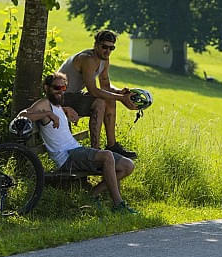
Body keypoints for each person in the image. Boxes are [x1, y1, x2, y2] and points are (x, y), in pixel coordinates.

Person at [18, 72, 137, 214]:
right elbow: (22, 115)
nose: (60, 92)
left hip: (76, 151)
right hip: (66, 156)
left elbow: (57, 109)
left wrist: (64, 110)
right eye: (57, 88)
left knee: (128, 166)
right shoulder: (44, 104)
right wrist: (47, 114)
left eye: (63, 88)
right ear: (46, 87)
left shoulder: (57, 106)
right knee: (107, 156)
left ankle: (91, 195)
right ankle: (118, 205)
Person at [58, 30, 139, 159]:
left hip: (74, 95)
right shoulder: (88, 59)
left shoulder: (104, 60)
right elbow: (93, 91)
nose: (108, 51)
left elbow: (105, 85)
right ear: (96, 45)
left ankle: (112, 146)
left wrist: (120, 92)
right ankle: (95, 150)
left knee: (109, 100)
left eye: (111, 48)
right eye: (104, 47)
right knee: (100, 102)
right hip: (61, 97)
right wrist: (121, 98)